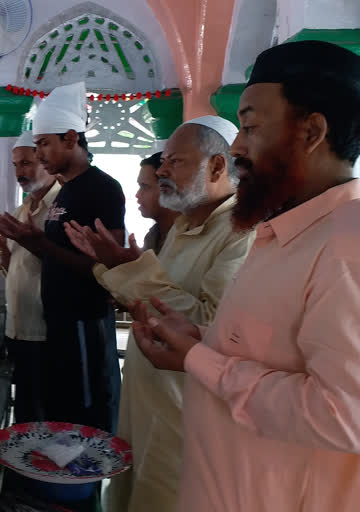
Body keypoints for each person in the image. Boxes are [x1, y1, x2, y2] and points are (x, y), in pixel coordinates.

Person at [130, 40, 360, 512]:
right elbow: (263, 353)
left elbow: (343, 416)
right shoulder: (286, 230)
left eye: (251, 126)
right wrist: (203, 340)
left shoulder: (346, 241)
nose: (237, 146)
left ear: (311, 131)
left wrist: (201, 359)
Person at [65, 115, 255, 511]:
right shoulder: (185, 224)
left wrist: (125, 269)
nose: (163, 170)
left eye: (175, 162)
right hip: (146, 400)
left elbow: (207, 322)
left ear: (217, 166)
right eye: (164, 161)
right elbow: (155, 298)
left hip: (187, 413)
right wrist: (109, 267)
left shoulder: (243, 233)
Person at [0, 81, 126, 432]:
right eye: (37, 146)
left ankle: (84, 487)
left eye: (44, 144)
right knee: (58, 413)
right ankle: (51, 484)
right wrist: (26, 241)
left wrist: (36, 242)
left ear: (70, 138)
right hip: (60, 323)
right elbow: (58, 254)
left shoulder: (100, 188)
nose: (41, 154)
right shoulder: (69, 191)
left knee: (84, 418)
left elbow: (105, 268)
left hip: (85, 322)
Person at [0, 130, 61, 423]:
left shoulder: (61, 208)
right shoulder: (23, 209)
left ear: (46, 160)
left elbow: (65, 262)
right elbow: (17, 267)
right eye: (16, 165)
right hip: (19, 326)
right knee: (25, 407)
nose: (21, 172)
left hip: (48, 330)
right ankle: (22, 465)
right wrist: (1, 245)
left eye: (27, 163)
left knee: (47, 409)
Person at [137, 152, 179, 254]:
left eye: (145, 186)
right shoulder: (153, 235)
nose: (137, 194)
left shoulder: (188, 239)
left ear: (169, 189)